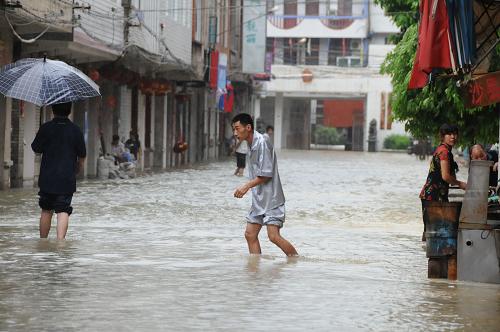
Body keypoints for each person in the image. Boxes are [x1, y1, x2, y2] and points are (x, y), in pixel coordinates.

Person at [232, 113, 298, 256]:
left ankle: (296, 261)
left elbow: (266, 175)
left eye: (237, 129)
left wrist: (246, 186)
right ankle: (255, 271)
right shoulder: (250, 144)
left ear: (248, 127)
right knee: (250, 234)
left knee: (273, 236)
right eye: (234, 129)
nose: (235, 133)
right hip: (259, 200)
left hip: (272, 199)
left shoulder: (262, 142)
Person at [31, 102, 86, 240]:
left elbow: (36, 148)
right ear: (69, 110)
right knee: (63, 210)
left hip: (47, 177)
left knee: (46, 209)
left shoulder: (46, 128)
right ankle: (60, 243)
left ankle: (43, 241)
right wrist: (78, 168)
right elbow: (82, 155)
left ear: (53, 109)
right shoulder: (75, 130)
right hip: (66, 177)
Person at [419, 124, 467, 241]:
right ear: (442, 136)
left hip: (433, 195)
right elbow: (445, 176)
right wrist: (460, 184)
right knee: (434, 232)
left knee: (432, 231)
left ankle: (430, 256)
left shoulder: (444, 150)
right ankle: (433, 257)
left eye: (455, 134)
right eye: (449, 134)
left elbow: (448, 176)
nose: (453, 137)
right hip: (433, 196)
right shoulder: (444, 152)